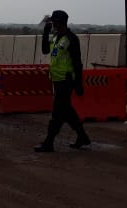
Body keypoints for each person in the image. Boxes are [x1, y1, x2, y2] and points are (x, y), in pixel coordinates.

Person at [34, 10, 91, 153]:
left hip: (67, 80)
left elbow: (77, 62)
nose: (52, 24)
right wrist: (46, 32)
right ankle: (82, 136)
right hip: (57, 79)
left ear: (60, 23)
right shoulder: (56, 37)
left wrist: (78, 83)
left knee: (57, 113)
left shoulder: (71, 39)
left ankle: (48, 143)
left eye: (54, 22)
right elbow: (45, 50)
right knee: (67, 110)